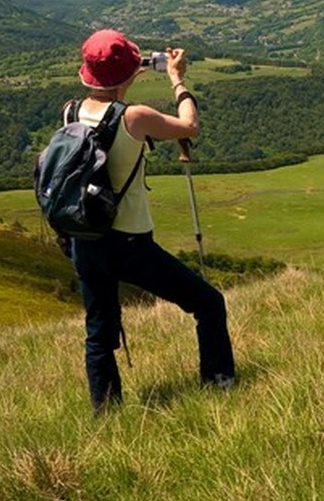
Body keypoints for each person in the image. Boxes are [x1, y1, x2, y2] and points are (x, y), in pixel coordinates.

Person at [67, 28, 236, 412]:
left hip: (85, 238)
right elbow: (189, 126)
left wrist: (123, 77)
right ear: (130, 73)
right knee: (208, 303)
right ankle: (220, 386)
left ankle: (106, 415)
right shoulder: (135, 118)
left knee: (98, 333)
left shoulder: (71, 111)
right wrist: (177, 78)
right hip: (129, 243)